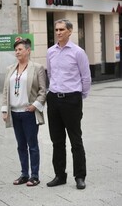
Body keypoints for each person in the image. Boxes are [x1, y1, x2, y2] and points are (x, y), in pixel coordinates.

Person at [46, 19, 91, 190]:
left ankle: (80, 176)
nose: (58, 32)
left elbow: (85, 77)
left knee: (75, 140)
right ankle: (60, 175)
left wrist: (80, 96)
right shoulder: (50, 52)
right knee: (57, 141)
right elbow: (50, 73)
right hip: (54, 99)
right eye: (56, 29)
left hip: (72, 99)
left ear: (70, 31)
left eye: (62, 29)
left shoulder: (78, 52)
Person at [1, 38, 46, 187]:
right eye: (15, 50)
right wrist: (4, 109)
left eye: (20, 49)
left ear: (28, 50)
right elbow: (6, 90)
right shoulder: (10, 69)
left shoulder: (37, 68)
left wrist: (35, 105)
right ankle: (24, 174)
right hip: (15, 112)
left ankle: (34, 176)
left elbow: (43, 90)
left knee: (32, 144)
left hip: (29, 112)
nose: (17, 52)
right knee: (21, 145)